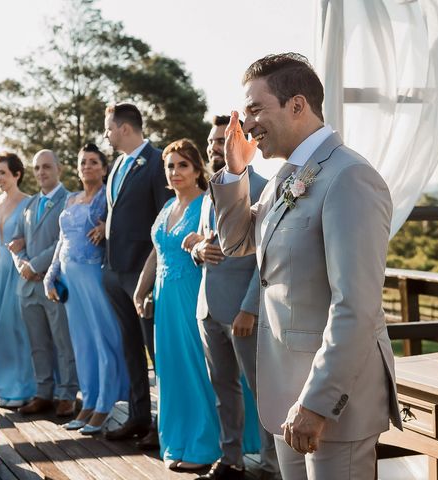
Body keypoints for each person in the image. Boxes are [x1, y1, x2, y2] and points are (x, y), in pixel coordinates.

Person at [211, 53, 402, 479]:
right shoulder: (285, 176)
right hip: (285, 394)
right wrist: (234, 170)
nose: (247, 124)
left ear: (297, 105)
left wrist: (317, 402)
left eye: (256, 109)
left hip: (333, 403)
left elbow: (355, 304)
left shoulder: (349, 177)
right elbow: (238, 241)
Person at [184, 116, 279, 480]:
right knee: (223, 389)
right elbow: (207, 242)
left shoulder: (262, 188)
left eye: (222, 140)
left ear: (243, 145)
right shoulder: (213, 190)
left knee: (261, 391)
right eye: (211, 141)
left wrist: (249, 308)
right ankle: (231, 460)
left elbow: (266, 256)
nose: (214, 147)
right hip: (207, 306)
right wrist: (197, 253)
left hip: (243, 311)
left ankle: (272, 467)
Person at [134, 139, 220, 471]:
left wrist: (202, 243)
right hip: (164, 298)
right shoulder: (167, 208)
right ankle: (177, 442)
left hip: (191, 294)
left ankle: (204, 447)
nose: (175, 171)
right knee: (169, 370)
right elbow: (157, 251)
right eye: (170, 166)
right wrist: (140, 290)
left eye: (182, 164)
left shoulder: (206, 204)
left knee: (196, 368)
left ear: (198, 168)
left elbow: (216, 244)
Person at [43, 143, 129, 435]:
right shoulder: (71, 200)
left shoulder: (108, 197)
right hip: (69, 278)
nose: (87, 166)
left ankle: (105, 405)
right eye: (83, 162)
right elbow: (61, 241)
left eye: (94, 162)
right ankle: (89, 402)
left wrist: (107, 226)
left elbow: (123, 226)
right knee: (81, 344)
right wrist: (50, 275)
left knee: (103, 339)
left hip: (94, 275)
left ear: (104, 168)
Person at [101, 103, 173, 449]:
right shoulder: (117, 164)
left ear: (125, 128)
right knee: (130, 348)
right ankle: (138, 416)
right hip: (114, 271)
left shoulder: (158, 162)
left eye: (109, 128)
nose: (106, 135)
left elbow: (164, 217)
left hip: (143, 271)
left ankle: (166, 422)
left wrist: (150, 273)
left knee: (155, 349)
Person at [10, 150, 79, 418]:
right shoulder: (28, 205)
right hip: (27, 286)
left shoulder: (69, 200)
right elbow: (15, 242)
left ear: (59, 169)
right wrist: (23, 266)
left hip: (55, 283)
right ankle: (43, 392)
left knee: (63, 341)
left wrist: (35, 265)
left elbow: (62, 240)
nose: (41, 172)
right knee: (37, 342)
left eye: (47, 167)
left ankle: (66, 393)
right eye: (37, 168)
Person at [0, 153, 36, 408]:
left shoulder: (29, 203)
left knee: (15, 326)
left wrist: (24, 242)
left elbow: (35, 235)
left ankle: (24, 387)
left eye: (2, 172)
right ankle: (1, 385)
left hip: (16, 267)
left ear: (17, 174)